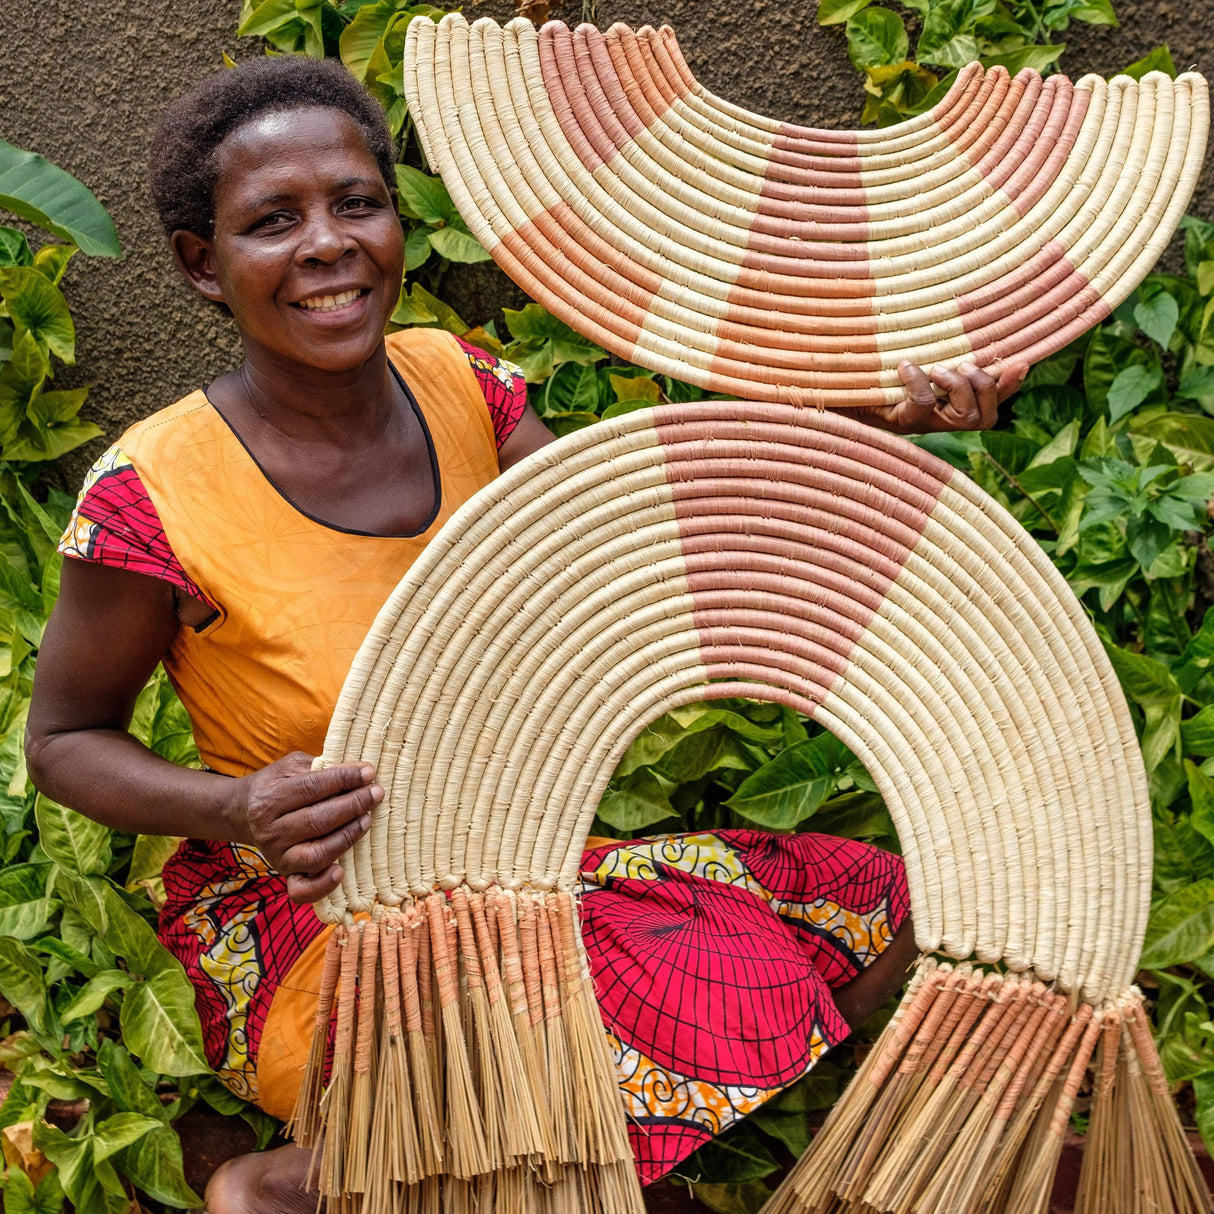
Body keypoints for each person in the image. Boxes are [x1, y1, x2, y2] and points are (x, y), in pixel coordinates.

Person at [25, 54, 1027, 1214]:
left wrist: (869, 409)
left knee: (883, 903)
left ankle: (531, 1145)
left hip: (510, 861)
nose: (328, 243)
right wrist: (234, 805)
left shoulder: (462, 383)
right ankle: (296, 1183)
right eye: (271, 221)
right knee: (587, 1029)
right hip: (319, 908)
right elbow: (63, 739)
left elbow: (625, 527)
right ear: (204, 264)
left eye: (356, 201)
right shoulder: (151, 492)